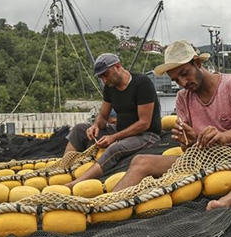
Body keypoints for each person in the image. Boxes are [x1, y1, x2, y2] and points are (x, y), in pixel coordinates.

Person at [112, 40, 231, 210]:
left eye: (184, 74)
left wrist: (224, 136)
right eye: (176, 80)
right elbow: (187, 149)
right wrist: (188, 140)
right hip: (202, 159)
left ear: (197, 63)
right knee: (140, 161)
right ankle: (105, 206)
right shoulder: (183, 97)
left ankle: (229, 199)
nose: (183, 83)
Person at [64, 53, 162, 189]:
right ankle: (64, 169)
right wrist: (96, 126)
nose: (104, 80)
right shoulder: (109, 88)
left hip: (146, 135)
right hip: (121, 130)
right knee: (79, 129)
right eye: (101, 77)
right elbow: (103, 116)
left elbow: (144, 123)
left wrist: (113, 137)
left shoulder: (142, 83)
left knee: (115, 148)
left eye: (106, 75)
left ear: (117, 66)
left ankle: (75, 184)